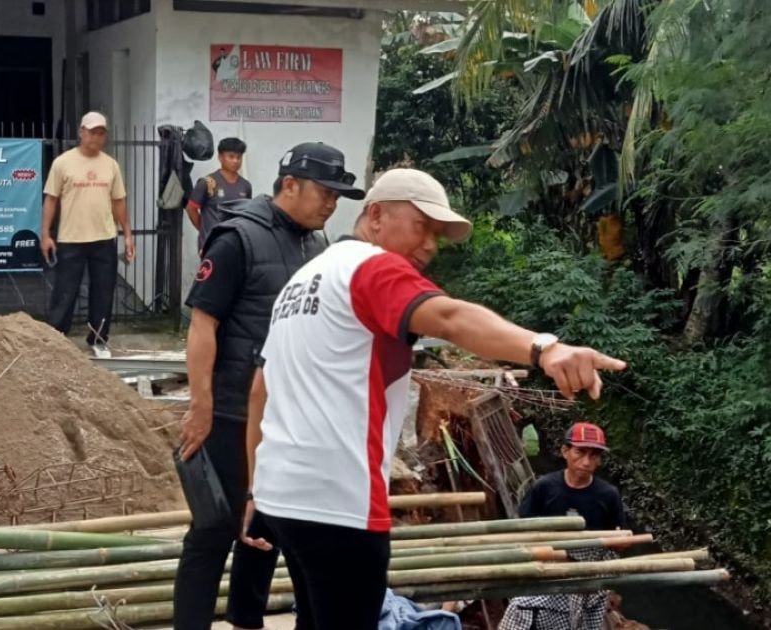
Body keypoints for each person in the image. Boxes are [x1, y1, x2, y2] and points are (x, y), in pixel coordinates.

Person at [242, 168, 628, 630]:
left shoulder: (302, 281)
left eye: (437, 236)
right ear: (376, 215)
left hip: (281, 495)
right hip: (338, 502)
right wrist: (544, 348)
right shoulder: (372, 267)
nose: (429, 245)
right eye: (422, 226)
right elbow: (449, 318)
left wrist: (254, 489)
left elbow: (261, 389)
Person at [174, 142, 365, 630]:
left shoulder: (316, 246)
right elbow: (203, 324)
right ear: (290, 185)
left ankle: (246, 620)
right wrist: (201, 405)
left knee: (268, 523)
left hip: (286, 414)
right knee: (215, 529)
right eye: (325, 192)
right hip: (232, 409)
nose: (332, 204)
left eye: (338, 196)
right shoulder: (237, 237)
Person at [499, 422, 627, 630]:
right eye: (580, 452)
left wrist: (619, 544)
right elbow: (524, 528)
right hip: (549, 561)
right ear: (565, 451)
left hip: (589, 568)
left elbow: (617, 542)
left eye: (594, 455)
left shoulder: (608, 495)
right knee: (521, 605)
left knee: (581, 613)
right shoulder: (544, 487)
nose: (586, 462)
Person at [41, 111, 135, 358]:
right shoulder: (63, 163)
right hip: (71, 238)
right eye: (92, 132)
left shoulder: (111, 165)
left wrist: (127, 235)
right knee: (65, 291)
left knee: (103, 291)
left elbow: (119, 201)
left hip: (104, 238)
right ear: (81, 132)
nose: (96, 137)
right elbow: (51, 199)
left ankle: (99, 338)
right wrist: (45, 234)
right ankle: (57, 338)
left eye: (101, 133)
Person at [186, 137, 253, 254]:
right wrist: (204, 230)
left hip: (237, 244)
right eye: (231, 156)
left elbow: (245, 215)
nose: (235, 161)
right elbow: (191, 208)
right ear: (220, 157)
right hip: (211, 245)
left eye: (239, 157)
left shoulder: (246, 186)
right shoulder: (208, 183)